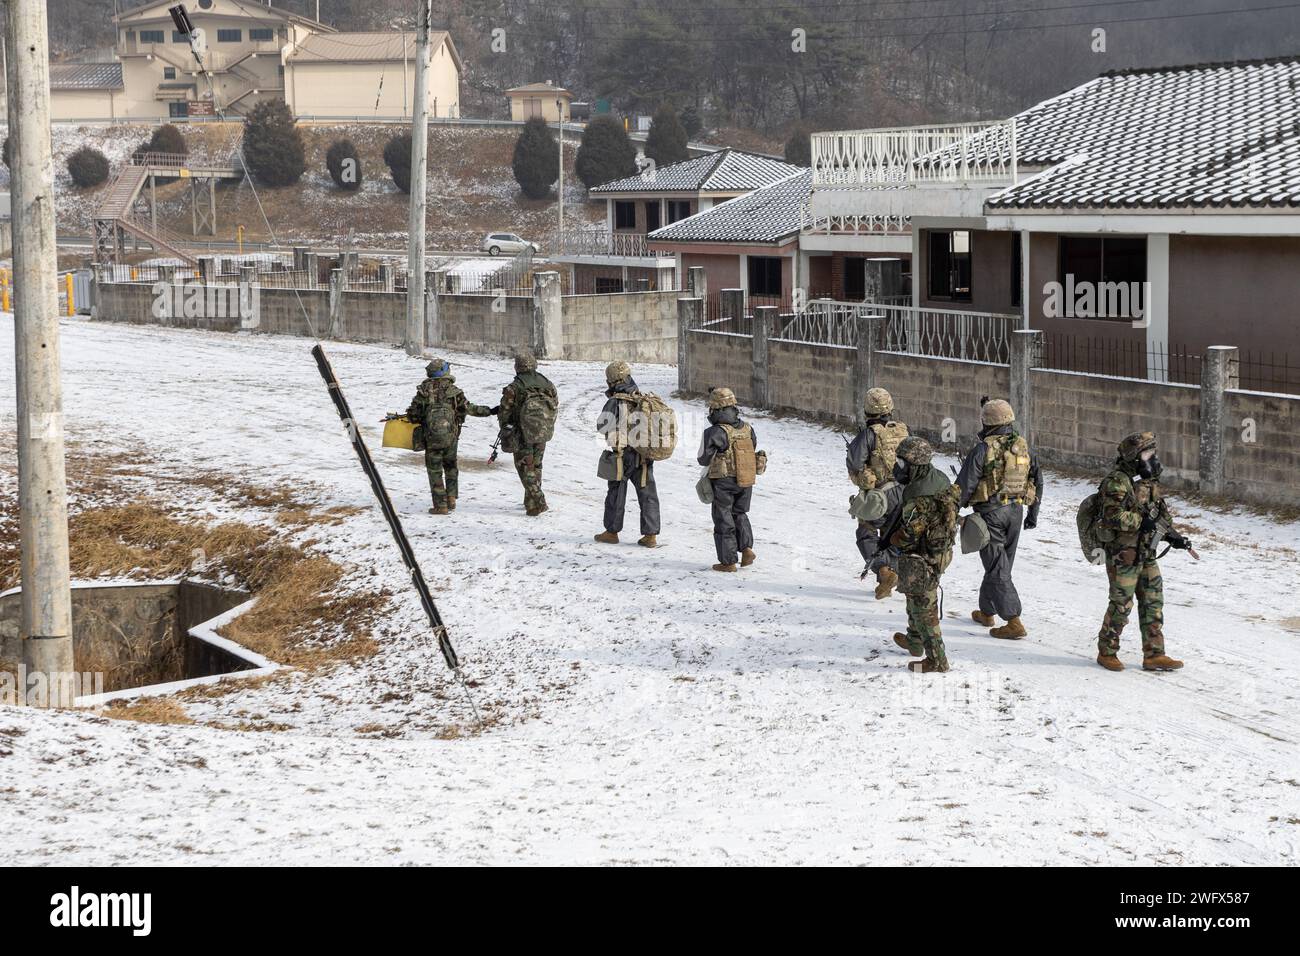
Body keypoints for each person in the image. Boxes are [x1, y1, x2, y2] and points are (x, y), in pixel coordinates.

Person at [1093, 432, 1191, 672]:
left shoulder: (1148, 482)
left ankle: (1155, 654)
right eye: (1147, 454)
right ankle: (1107, 651)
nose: (1153, 458)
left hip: (1146, 552)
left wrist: (1172, 535)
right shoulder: (1117, 481)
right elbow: (1112, 516)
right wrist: (1140, 522)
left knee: (1153, 602)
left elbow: (1159, 513)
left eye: (1153, 453)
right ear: (1133, 457)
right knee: (1121, 604)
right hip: (1123, 554)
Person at [955, 398, 1042, 638]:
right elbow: (1037, 478)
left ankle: (1014, 621)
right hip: (1015, 512)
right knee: (1000, 566)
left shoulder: (983, 449)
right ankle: (986, 611)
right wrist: (1033, 513)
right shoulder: (1022, 446)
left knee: (997, 568)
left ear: (987, 422)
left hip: (990, 514)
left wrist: (950, 509)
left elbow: (965, 485)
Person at [888, 436, 961, 673]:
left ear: (915, 465)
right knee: (913, 592)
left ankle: (937, 661)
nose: (898, 467)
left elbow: (909, 533)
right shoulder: (938, 478)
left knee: (923, 605)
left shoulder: (917, 494)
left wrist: (892, 539)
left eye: (902, 463)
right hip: (941, 549)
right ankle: (914, 640)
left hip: (926, 555)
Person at [405, 357, 496, 515]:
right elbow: (470, 409)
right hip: (451, 437)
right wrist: (490, 411)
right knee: (451, 467)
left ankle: (440, 505)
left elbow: (413, 415)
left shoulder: (423, 391)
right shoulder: (454, 391)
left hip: (431, 437)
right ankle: (451, 498)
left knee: (434, 470)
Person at [845, 386, 909, 599]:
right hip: (905, 491)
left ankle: (883, 570)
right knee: (893, 535)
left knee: (866, 531)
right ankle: (888, 577)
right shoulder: (902, 430)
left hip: (881, 495)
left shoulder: (869, 435)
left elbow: (855, 462)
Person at [594, 360, 661, 547]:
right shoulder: (643, 398)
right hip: (644, 455)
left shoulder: (615, 401)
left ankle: (611, 532)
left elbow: (602, 426)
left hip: (622, 456)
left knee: (616, 493)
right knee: (648, 494)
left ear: (612, 381)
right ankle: (650, 535)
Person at [698, 387, 763, 572]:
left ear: (715, 409)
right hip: (746, 480)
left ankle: (728, 562)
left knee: (723, 518)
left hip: (723, 482)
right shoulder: (748, 428)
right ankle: (747, 549)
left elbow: (703, 459)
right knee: (740, 514)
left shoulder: (714, 432)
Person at [497, 349, 558, 517]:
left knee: (525, 467)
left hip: (521, 433)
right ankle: (531, 505)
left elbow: (504, 412)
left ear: (517, 367)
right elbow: (555, 403)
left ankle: (538, 501)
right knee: (536, 466)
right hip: (542, 431)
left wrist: (506, 426)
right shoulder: (547, 383)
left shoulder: (514, 387)